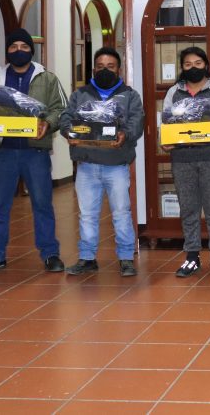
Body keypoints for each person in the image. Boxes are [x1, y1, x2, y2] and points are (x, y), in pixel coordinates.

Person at [0, 28, 67, 275]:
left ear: (31, 50)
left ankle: (50, 254)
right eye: (13, 47)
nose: (18, 51)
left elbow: (61, 110)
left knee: (42, 204)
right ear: (7, 51)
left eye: (23, 46)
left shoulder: (47, 79)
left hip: (36, 153)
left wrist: (48, 123)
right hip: (3, 151)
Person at [58, 47, 145, 277]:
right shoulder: (80, 94)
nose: (104, 70)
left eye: (110, 67)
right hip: (86, 165)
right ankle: (87, 258)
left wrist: (125, 134)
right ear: (93, 68)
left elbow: (137, 121)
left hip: (116, 165)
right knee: (86, 214)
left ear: (119, 69)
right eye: (100, 67)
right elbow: (66, 118)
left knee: (121, 213)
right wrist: (69, 133)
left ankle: (126, 258)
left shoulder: (130, 95)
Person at [163, 47, 210, 278]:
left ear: (206, 65)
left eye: (198, 63)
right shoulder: (174, 92)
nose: (193, 68)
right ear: (182, 67)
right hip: (183, 159)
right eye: (188, 64)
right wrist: (164, 138)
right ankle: (192, 255)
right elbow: (165, 121)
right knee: (188, 209)